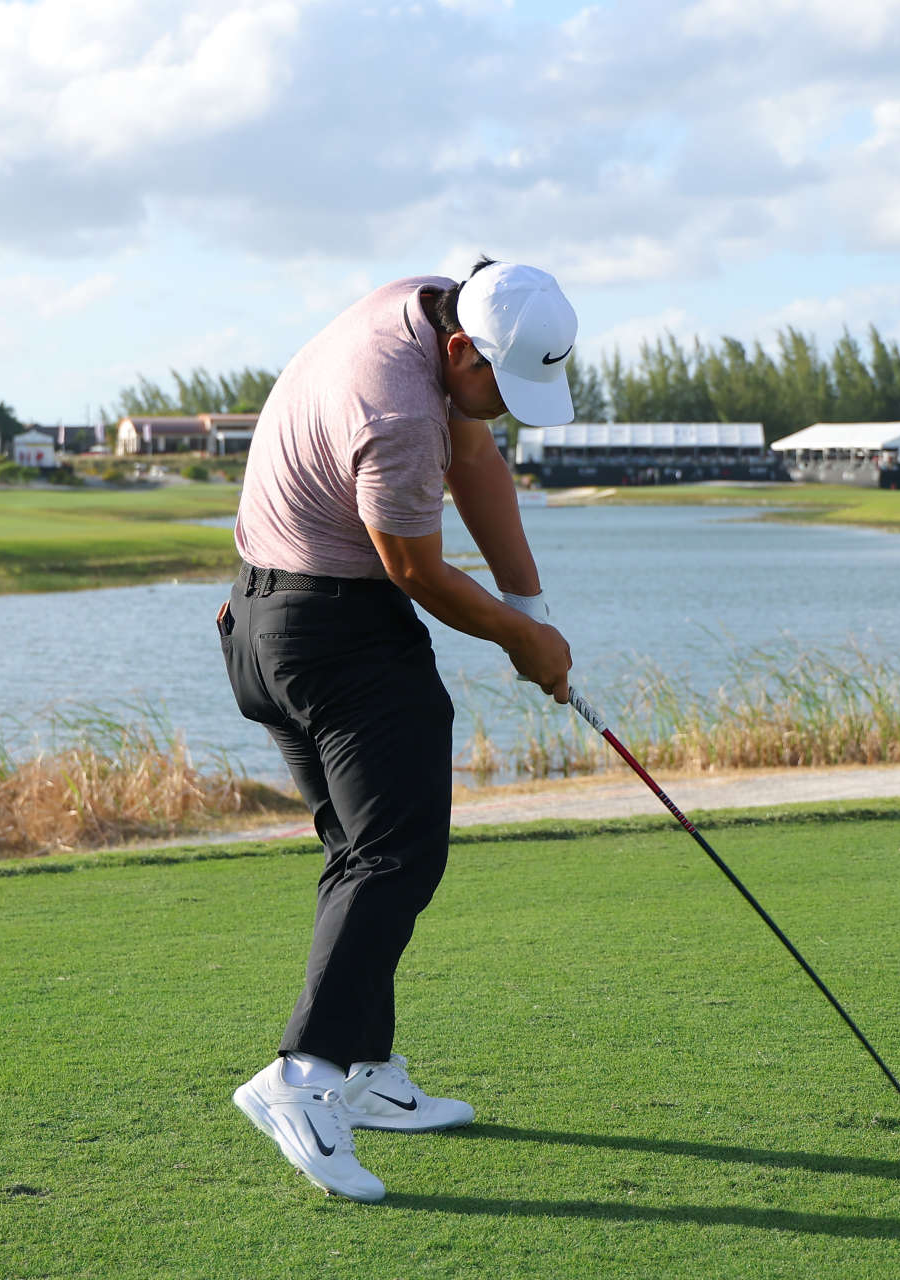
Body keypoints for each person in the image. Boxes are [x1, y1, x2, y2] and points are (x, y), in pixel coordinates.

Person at [217, 257, 577, 1201]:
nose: (504, 411)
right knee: (395, 853)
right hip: (335, 631)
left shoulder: (424, 305)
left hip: (259, 625)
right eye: (501, 388)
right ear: (462, 351)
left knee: (360, 850)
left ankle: (366, 1071)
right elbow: (415, 571)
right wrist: (523, 641)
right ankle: (305, 1076)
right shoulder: (402, 413)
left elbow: (479, 461)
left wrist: (531, 609)